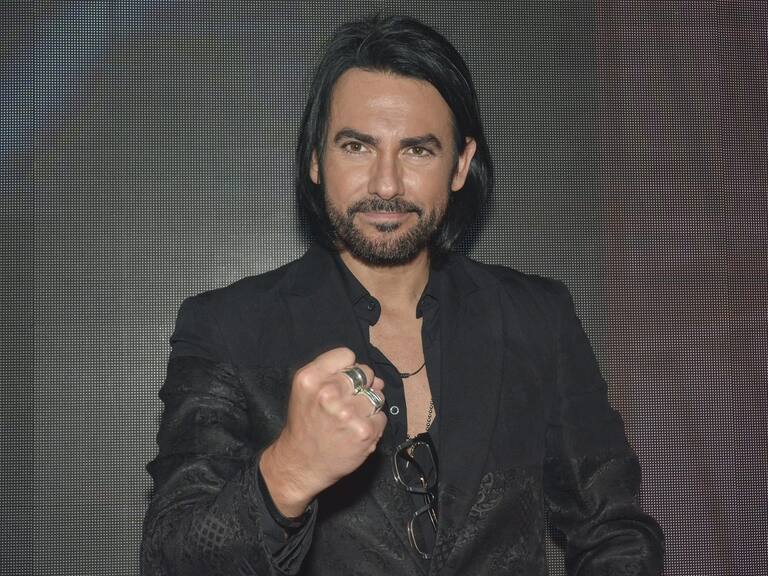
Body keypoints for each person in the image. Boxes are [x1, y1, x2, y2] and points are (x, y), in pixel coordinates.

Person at [141, 14, 664, 576]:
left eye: (417, 150)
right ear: (316, 158)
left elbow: (614, 529)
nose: (386, 184)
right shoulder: (226, 326)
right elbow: (171, 557)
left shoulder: (538, 316)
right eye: (357, 146)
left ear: (460, 165)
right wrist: (289, 472)